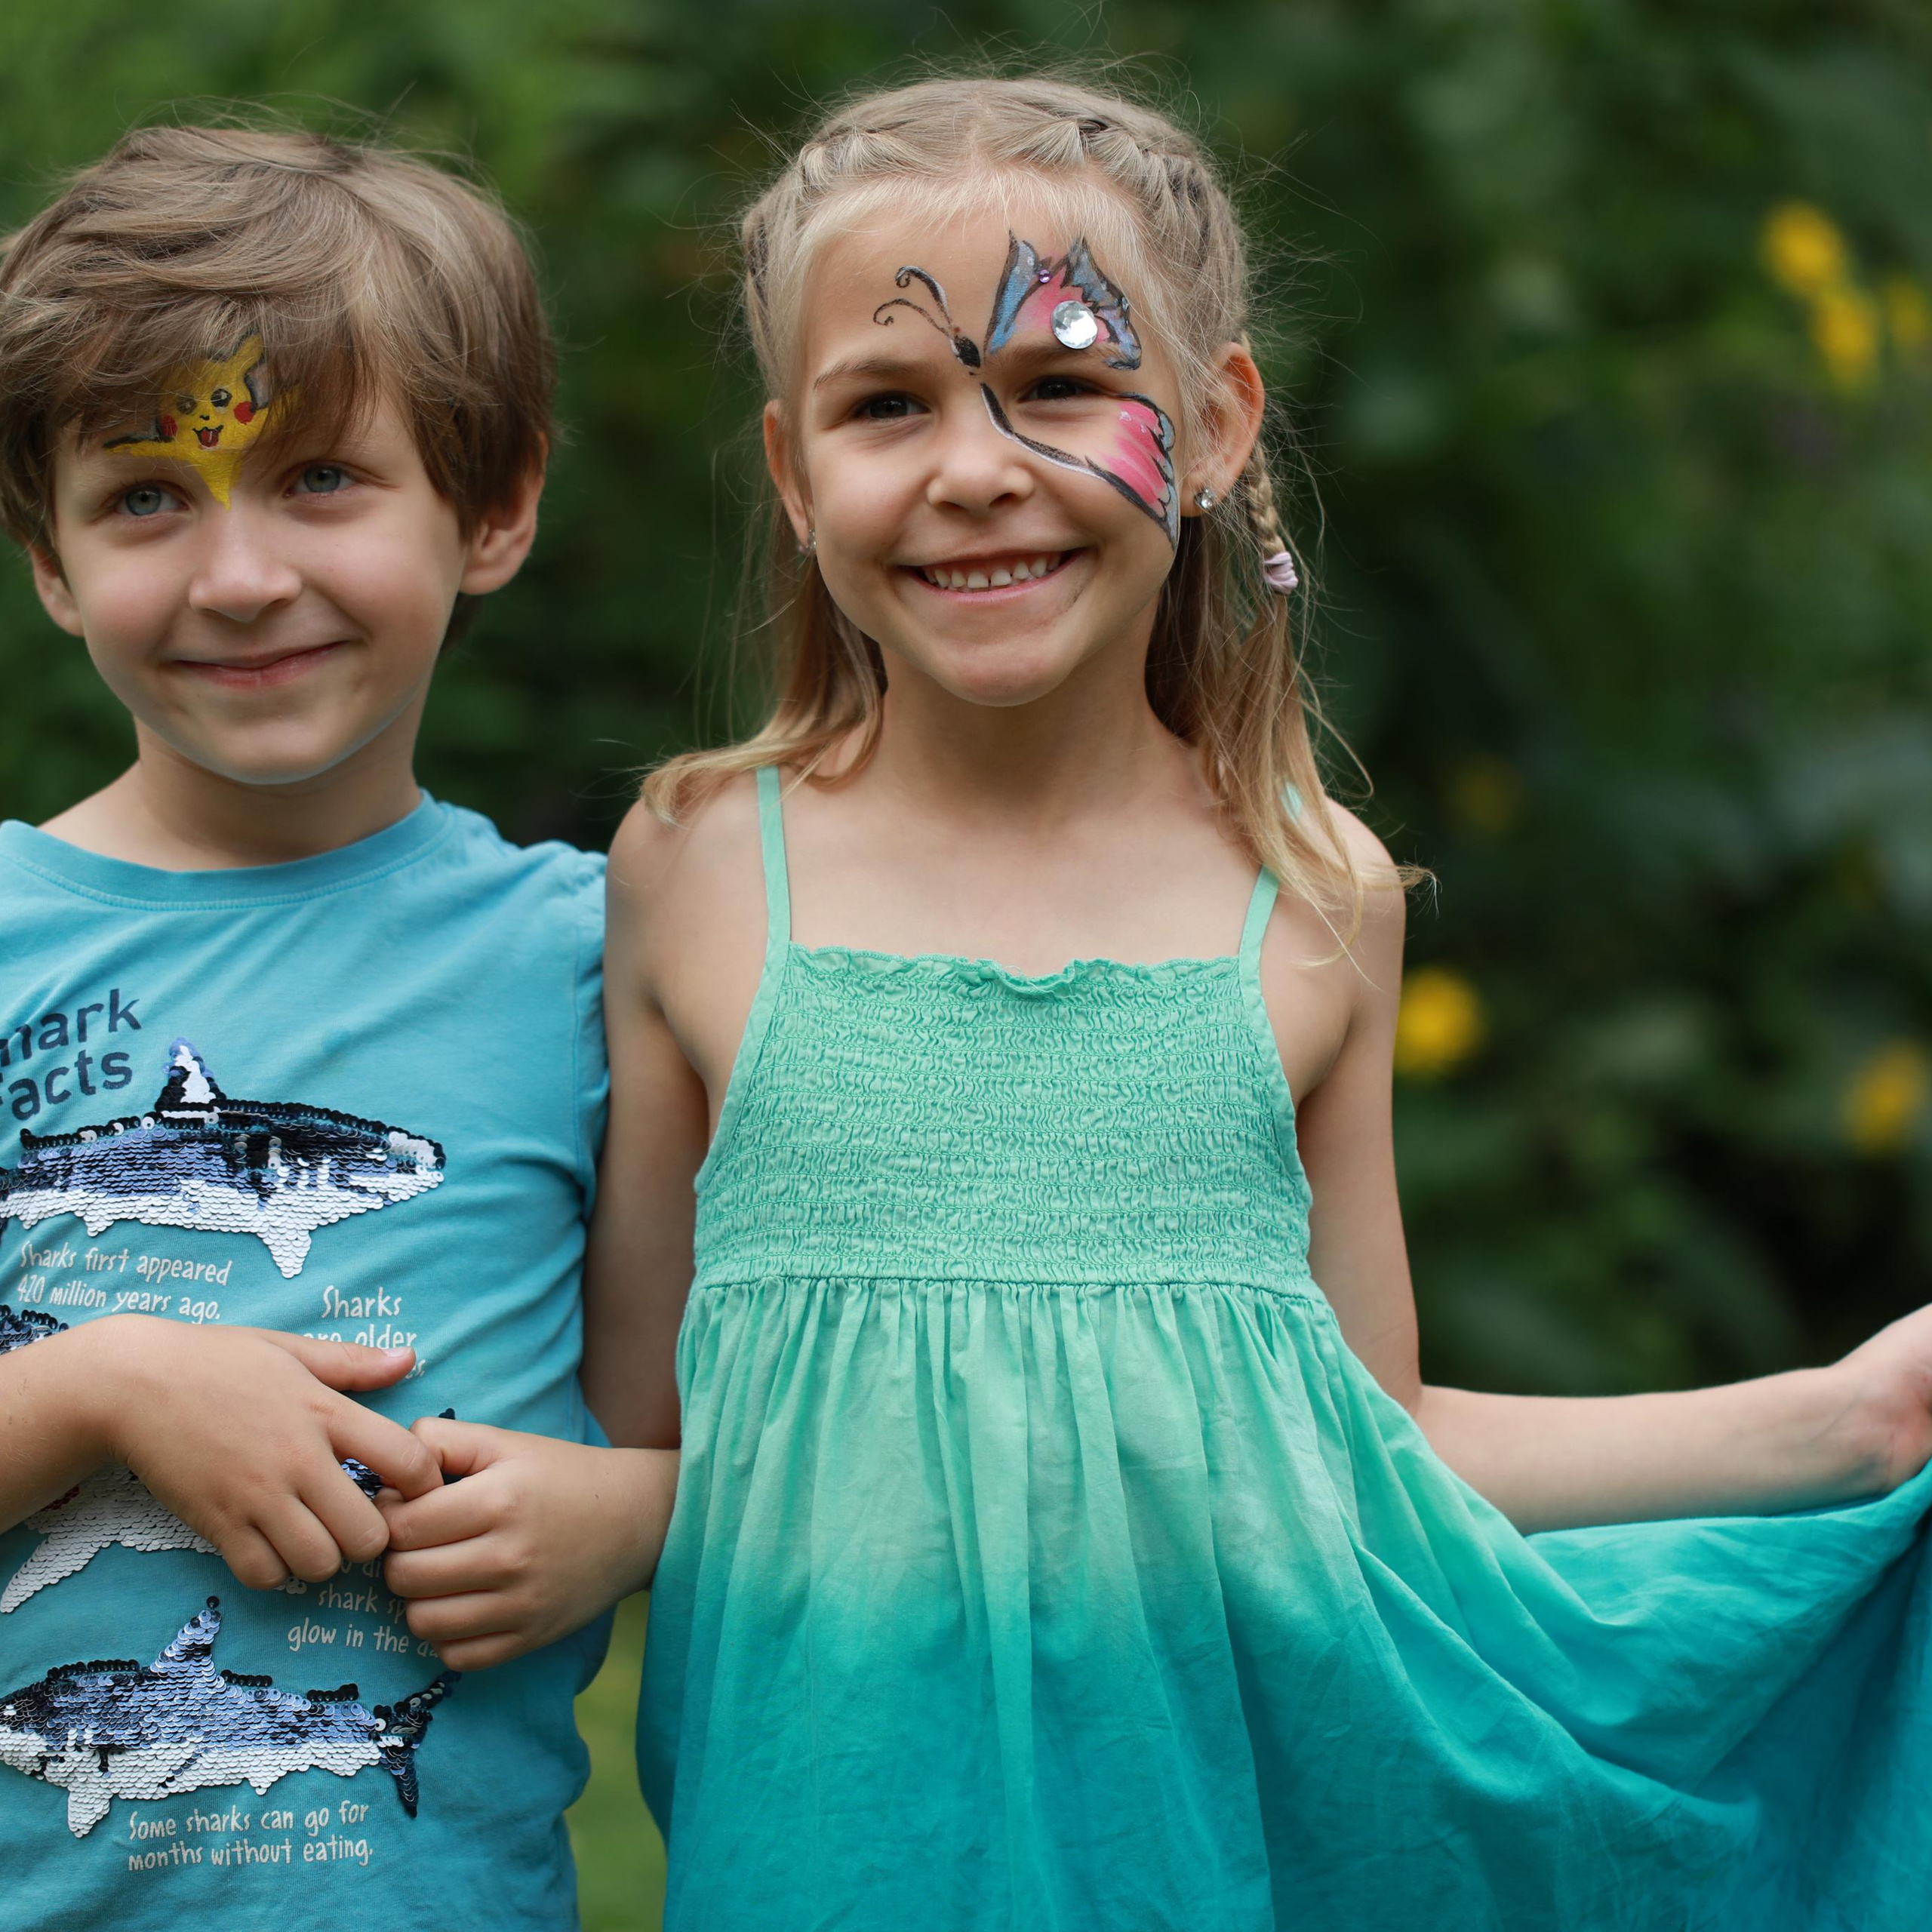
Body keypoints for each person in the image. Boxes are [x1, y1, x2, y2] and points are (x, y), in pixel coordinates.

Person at [589, 75, 1932, 1928]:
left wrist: (1849, 1418)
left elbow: (1365, 1448)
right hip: (824, 1851)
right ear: (792, 470)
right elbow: (639, 1437)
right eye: (886, 404)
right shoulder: (693, 870)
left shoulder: (1311, 904)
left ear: (1214, 425)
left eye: (1060, 382)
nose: (974, 464)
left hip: (1204, 1858)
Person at [0, 125, 671, 1930]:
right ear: (49, 556)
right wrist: (102, 1382)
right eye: (146, 497)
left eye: (318, 477)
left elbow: (751, 1427)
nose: (236, 576)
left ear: (494, 507)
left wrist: (633, 1516)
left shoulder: (607, 957)